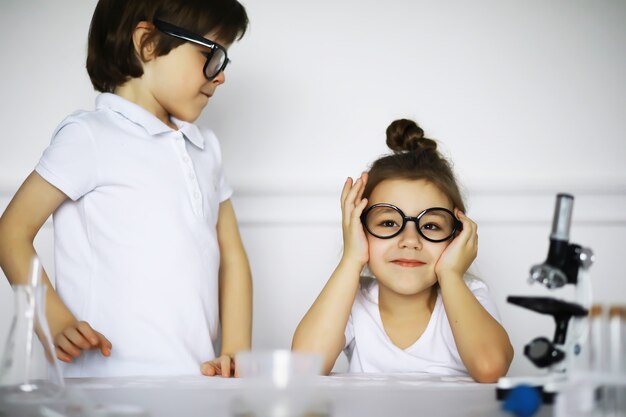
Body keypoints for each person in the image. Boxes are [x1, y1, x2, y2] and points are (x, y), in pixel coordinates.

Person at [0, 0, 252, 378]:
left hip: (194, 381)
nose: (220, 76)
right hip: (104, 387)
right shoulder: (90, 135)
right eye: (210, 54)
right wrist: (52, 316)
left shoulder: (206, 148)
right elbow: (12, 231)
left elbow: (232, 258)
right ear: (147, 43)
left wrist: (235, 351)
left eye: (224, 59)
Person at [292, 119, 513, 382]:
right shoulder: (352, 298)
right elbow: (303, 367)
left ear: (457, 236)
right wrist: (351, 259)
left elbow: (491, 368)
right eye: (388, 223)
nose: (410, 240)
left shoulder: (471, 295)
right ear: (360, 231)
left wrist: (452, 275)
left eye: (430, 225)